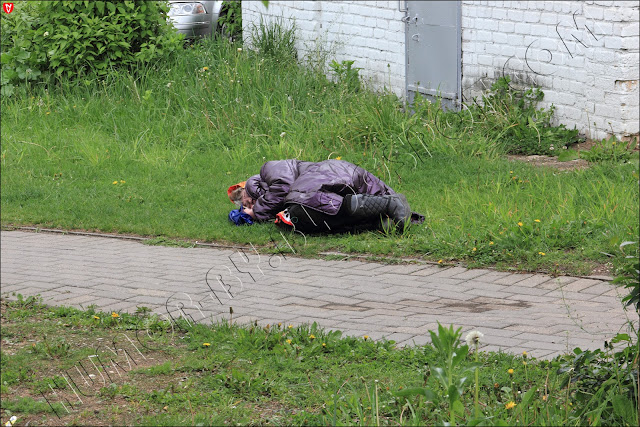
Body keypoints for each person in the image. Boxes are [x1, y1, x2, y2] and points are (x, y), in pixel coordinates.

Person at [227, 159, 423, 233]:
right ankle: (379, 222)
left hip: (328, 174)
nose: (245, 205)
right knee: (299, 218)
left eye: (244, 201)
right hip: (328, 182)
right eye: (244, 206)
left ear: (247, 187)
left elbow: (283, 187)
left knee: (301, 204)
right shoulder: (279, 199)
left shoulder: (268, 170)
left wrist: (258, 211)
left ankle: (389, 204)